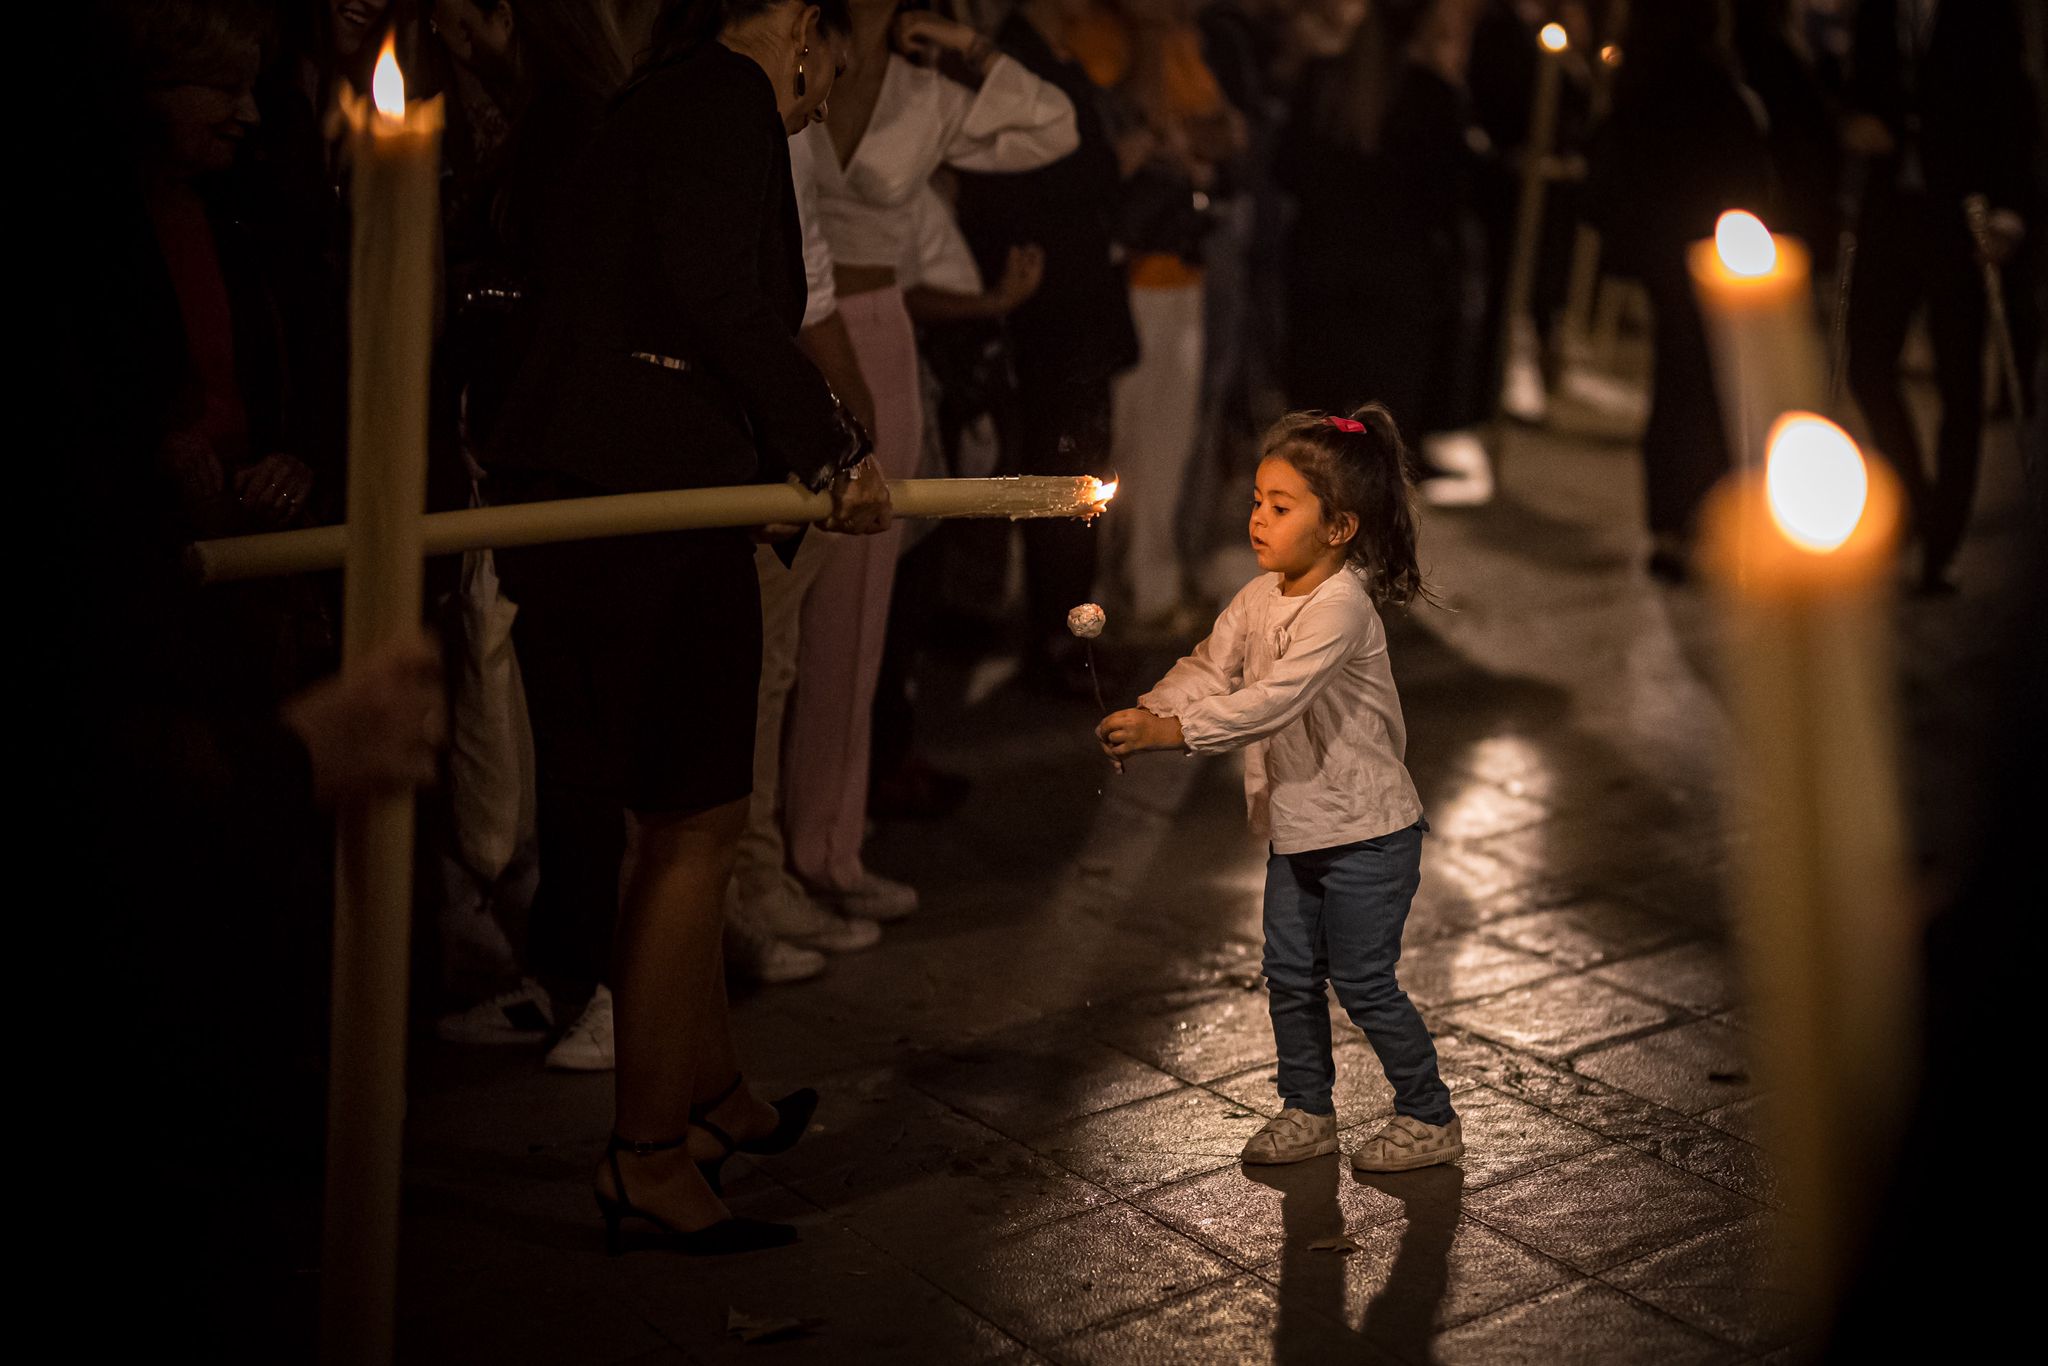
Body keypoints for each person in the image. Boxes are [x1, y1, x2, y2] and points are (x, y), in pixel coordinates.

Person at [486, 0, 890, 1255]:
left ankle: (706, 1092)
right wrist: (833, 446)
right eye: (839, 60)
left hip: (620, 496)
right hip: (644, 506)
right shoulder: (718, 97)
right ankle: (650, 1154)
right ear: (798, 26)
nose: (827, 98)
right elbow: (720, 296)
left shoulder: (659, 102)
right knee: (693, 821)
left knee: (691, 808)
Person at [1096, 405, 1462, 1173]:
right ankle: (1307, 1110)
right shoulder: (1261, 596)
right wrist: (1154, 708)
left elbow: (1273, 699)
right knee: (1290, 977)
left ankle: (1429, 1116)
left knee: (1363, 982)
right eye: (1257, 501)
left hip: (1366, 831)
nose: (1258, 518)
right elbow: (1211, 665)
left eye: (1281, 506)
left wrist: (1176, 735)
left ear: (1339, 529)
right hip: (1297, 829)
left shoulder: (1340, 607)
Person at [788, 0, 1078, 922]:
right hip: (783, 340)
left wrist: (967, 47)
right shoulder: (795, 56)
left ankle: (826, 845)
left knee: (856, 614)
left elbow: (1054, 125)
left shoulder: (928, 92)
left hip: (874, 337)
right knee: (767, 618)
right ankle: (751, 863)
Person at [954, 0, 1141, 690]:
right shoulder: (1021, 65)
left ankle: (1071, 633)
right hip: (1053, 305)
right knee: (1061, 479)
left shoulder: (1059, 61)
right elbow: (1013, 187)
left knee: (1077, 474)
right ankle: (1060, 641)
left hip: (1079, 301)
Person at [1843, 0, 2034, 594]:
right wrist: (1857, 124)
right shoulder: (1874, 13)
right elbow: (1855, 88)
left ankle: (1941, 544)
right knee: (1866, 365)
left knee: (1960, 384)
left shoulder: (1988, 14)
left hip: (1959, 217)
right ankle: (1918, 503)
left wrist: (2012, 212)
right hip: (1891, 213)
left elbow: (2016, 110)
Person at [1587, 0, 1771, 582]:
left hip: (1662, 252)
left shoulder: (1643, 73)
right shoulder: (1711, 83)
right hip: (1710, 251)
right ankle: (1699, 522)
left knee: (1674, 384)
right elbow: (1740, 171)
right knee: (1703, 389)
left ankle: (1670, 524)